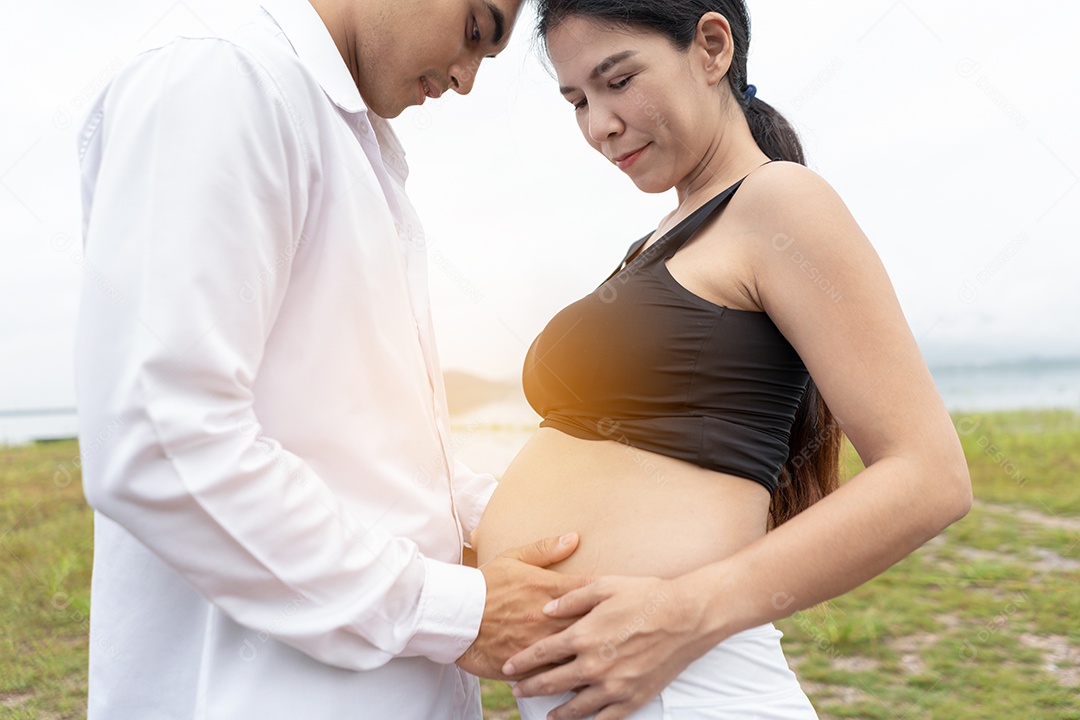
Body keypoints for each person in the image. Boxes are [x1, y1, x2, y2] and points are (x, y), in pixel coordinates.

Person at [73, 0, 592, 718]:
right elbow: (161, 439)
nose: (467, 78)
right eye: (475, 32)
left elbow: (362, 445)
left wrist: (512, 518)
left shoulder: (348, 134)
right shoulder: (224, 75)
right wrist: (449, 612)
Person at [469, 1, 973, 718]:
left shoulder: (780, 201)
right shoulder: (659, 242)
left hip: (686, 684)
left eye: (617, 81)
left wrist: (684, 613)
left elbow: (931, 477)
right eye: (577, 100)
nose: (598, 125)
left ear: (711, 48)